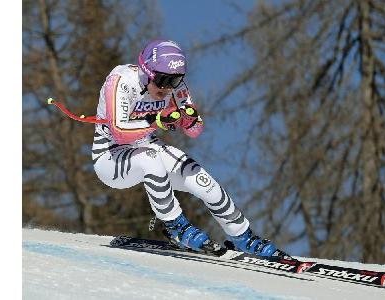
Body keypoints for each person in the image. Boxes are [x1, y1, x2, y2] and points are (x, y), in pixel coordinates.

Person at [92, 39, 284, 257]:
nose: (167, 88)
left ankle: (242, 236)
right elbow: (118, 131)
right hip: (111, 155)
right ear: (146, 72)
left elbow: (195, 130)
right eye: (163, 80)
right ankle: (176, 227)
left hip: (148, 145)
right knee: (150, 159)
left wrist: (187, 120)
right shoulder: (121, 81)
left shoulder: (176, 89)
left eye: (174, 81)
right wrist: (158, 121)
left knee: (202, 179)